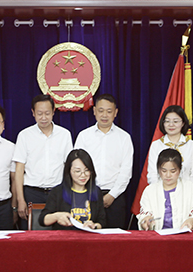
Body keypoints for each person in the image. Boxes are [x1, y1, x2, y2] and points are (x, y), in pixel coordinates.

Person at [74, 94, 133, 229]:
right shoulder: (84, 136)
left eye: (109, 111)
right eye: (101, 111)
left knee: (114, 239)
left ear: (115, 113)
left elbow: (126, 171)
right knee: (86, 237)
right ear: (94, 111)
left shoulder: (124, 138)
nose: (104, 115)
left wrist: (112, 195)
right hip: (87, 196)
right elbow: (76, 167)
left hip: (115, 197)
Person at [14, 94, 73, 227]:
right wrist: (20, 199)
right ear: (33, 113)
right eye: (39, 113)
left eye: (47, 113)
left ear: (53, 112)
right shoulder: (25, 135)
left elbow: (69, 167)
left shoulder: (64, 134)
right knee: (31, 232)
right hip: (32, 193)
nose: (44, 117)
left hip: (57, 192)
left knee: (59, 231)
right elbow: (19, 169)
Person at [138, 148, 193, 231]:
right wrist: (145, 221)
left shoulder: (190, 188)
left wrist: (192, 221)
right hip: (157, 236)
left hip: (184, 236)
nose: (168, 175)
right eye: (164, 171)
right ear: (158, 170)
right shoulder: (150, 191)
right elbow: (143, 217)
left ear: (180, 170)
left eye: (173, 171)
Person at [39, 149, 106, 230]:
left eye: (86, 170)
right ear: (69, 171)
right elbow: (42, 220)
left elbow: (102, 221)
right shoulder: (57, 192)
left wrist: (94, 226)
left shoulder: (96, 191)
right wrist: (57, 216)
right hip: (64, 237)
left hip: (88, 236)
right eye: (78, 171)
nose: (83, 175)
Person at [147, 105, 193, 188]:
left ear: (183, 123)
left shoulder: (192, 146)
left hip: (187, 193)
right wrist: (162, 192)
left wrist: (187, 192)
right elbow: (152, 175)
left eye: (175, 121)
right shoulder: (156, 145)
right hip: (161, 193)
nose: (171, 124)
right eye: (167, 121)